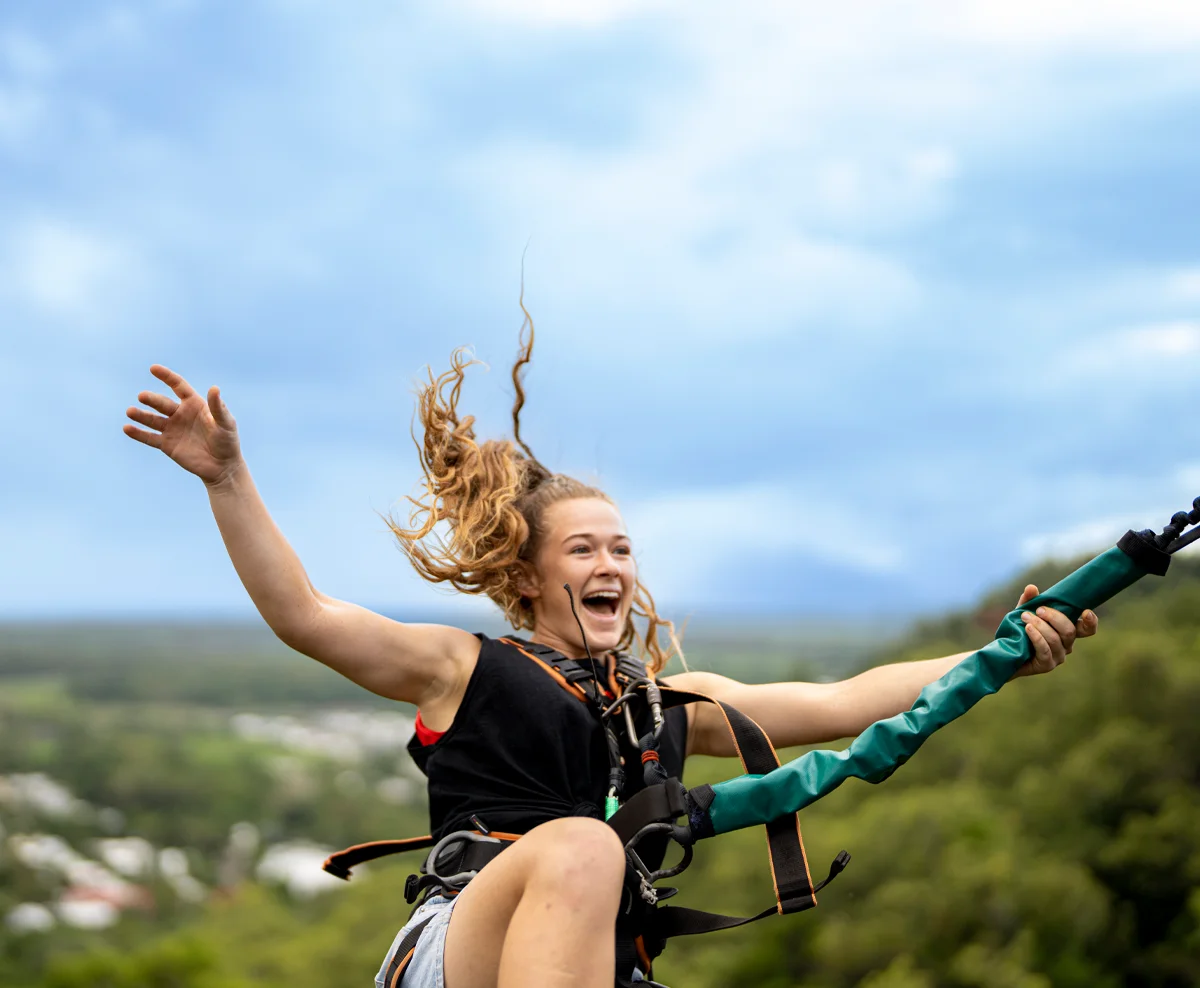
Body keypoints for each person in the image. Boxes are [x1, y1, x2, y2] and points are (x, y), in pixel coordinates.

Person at [124, 325, 1098, 988]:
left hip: (588, 960)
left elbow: (847, 699)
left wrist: (1003, 653)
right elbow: (303, 614)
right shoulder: (467, 669)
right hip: (461, 947)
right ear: (529, 577)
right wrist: (227, 478)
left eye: (622, 549)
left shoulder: (664, 704)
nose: (611, 566)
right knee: (585, 844)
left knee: (594, 858)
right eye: (584, 549)